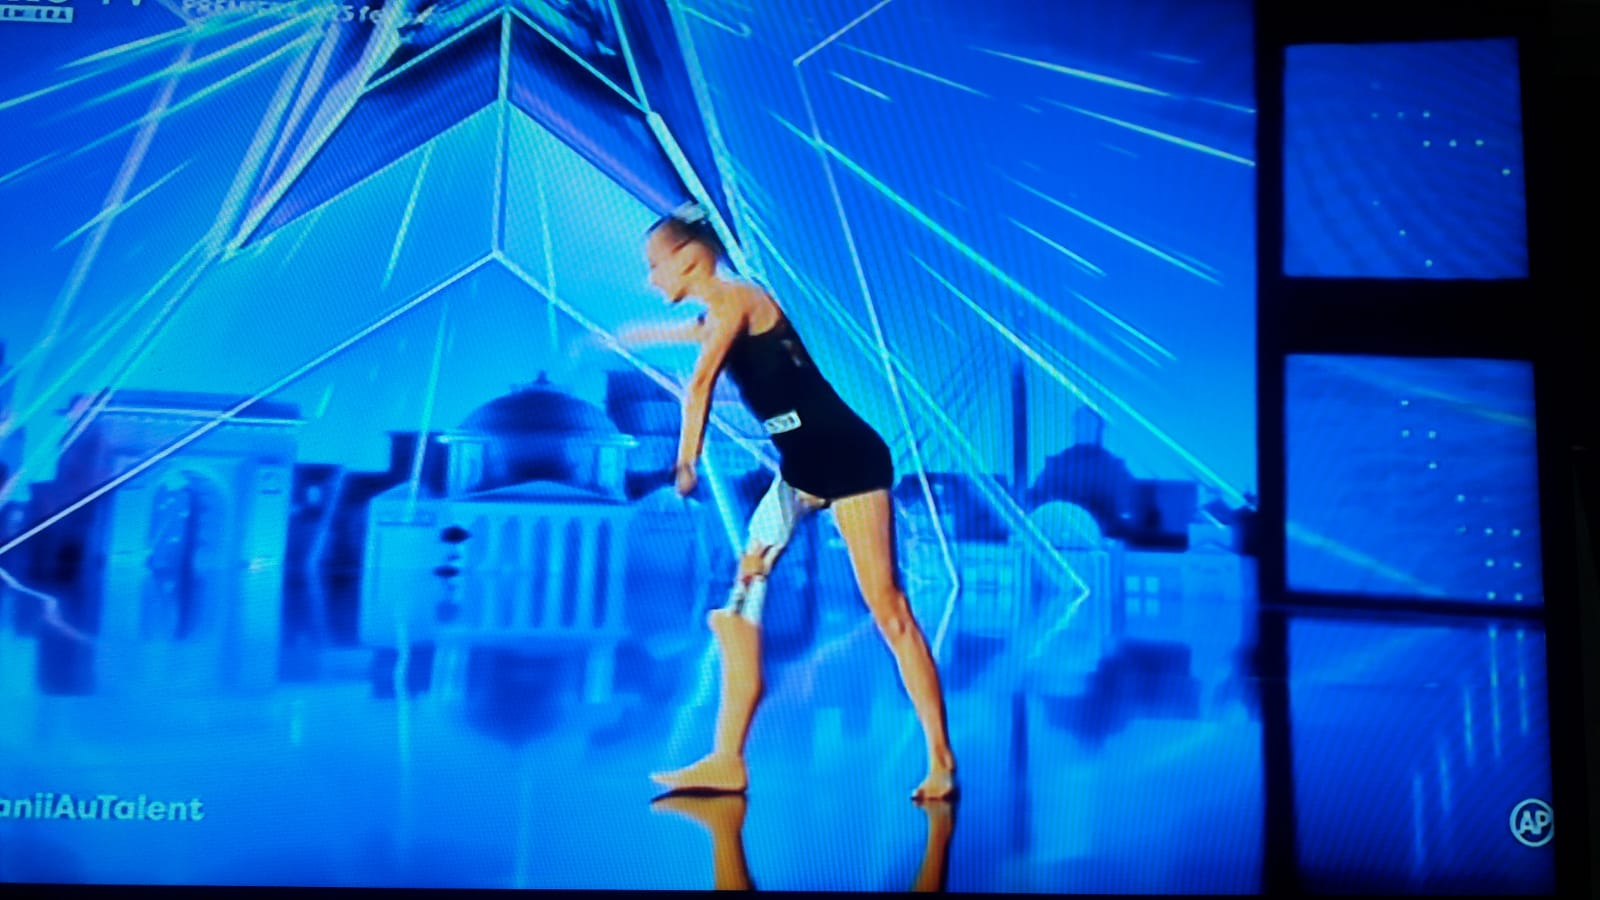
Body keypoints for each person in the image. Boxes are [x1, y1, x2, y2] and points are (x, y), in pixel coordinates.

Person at [624, 203, 957, 802]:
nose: (650, 279)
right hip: (800, 470)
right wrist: (636, 335)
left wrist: (686, 461)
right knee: (741, 602)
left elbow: (699, 384)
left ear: (689, 257)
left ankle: (941, 761)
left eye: (654, 264)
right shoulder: (719, 313)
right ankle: (727, 760)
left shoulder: (739, 299)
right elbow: (695, 332)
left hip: (846, 458)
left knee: (889, 611)